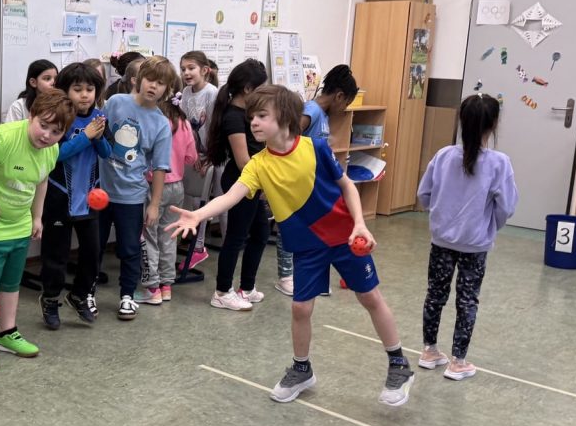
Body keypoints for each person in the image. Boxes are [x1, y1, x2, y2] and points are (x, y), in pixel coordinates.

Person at [168, 84, 415, 407]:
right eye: (251, 116)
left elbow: (347, 186)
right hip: (306, 246)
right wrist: (198, 214)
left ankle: (399, 363)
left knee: (370, 297)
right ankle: (302, 369)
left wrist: (359, 223)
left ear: (284, 118)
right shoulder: (258, 164)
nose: (253, 122)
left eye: (261, 115)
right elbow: (232, 196)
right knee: (300, 308)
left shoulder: (316, 148)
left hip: (343, 236)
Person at [0, 90, 73, 373]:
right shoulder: (2, 138)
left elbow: (42, 181)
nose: (47, 135)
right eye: (43, 125)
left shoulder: (51, 150)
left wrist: (37, 217)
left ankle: (7, 333)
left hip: (19, 225)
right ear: (31, 115)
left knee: (11, 283)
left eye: (56, 131)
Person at [417, 93, 517, 381]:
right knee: (467, 300)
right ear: (493, 124)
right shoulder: (499, 163)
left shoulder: (443, 156)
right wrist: (490, 227)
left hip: (441, 240)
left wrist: (440, 217)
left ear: (461, 121)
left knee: (435, 294)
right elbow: (506, 207)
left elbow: (424, 194)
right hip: (475, 244)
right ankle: (458, 362)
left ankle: (429, 351)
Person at [99, 56, 172, 320]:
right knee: (94, 246)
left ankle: (127, 296)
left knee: (129, 248)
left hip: (131, 195)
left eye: (161, 83)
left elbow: (160, 167)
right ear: (138, 80)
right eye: (150, 79)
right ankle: (86, 293)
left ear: (167, 89)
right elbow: (97, 134)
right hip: (100, 192)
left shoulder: (161, 124)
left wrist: (154, 204)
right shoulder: (116, 102)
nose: (154, 86)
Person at [276, 64, 358, 296]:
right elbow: (288, 140)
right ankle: (285, 276)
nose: (344, 109)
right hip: (295, 183)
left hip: (313, 186)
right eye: (346, 103)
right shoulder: (310, 110)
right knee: (290, 228)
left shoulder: (323, 116)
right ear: (339, 96)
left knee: (315, 230)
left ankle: (316, 279)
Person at [38, 63, 109, 328]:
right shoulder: (57, 118)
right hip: (59, 198)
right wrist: (86, 136)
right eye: (77, 89)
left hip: (90, 200)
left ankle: (79, 295)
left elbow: (107, 153)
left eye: (90, 89)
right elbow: (54, 155)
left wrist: (98, 136)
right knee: (56, 256)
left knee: (92, 253)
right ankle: (50, 299)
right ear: (65, 91)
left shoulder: (99, 117)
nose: (84, 95)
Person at [205, 59, 269, 311]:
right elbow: (243, 161)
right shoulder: (233, 116)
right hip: (241, 180)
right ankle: (222, 291)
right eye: (260, 88)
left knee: (261, 233)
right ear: (247, 89)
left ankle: (246, 288)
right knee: (236, 236)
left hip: (253, 180)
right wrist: (265, 183)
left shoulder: (248, 113)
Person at [136, 75, 196, 305]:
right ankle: (167, 285)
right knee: (169, 236)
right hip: (177, 186)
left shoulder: (153, 120)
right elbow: (191, 158)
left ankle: (152, 288)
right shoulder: (184, 122)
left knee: (148, 236)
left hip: (154, 186)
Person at [178, 51, 218, 269]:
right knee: (191, 199)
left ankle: (200, 247)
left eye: (191, 68)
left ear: (204, 70)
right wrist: (192, 153)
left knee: (203, 202)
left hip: (212, 155)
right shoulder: (185, 92)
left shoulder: (212, 93)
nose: (186, 72)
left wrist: (209, 158)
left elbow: (215, 127)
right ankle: (194, 244)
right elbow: (186, 126)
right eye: (183, 69)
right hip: (194, 154)